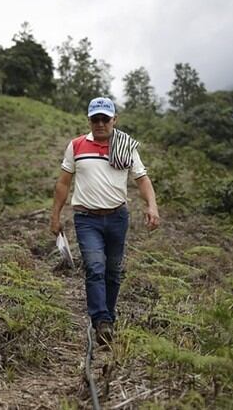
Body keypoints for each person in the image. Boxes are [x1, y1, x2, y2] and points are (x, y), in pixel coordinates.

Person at [50, 97, 160, 345]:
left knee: (113, 271)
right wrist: (55, 215)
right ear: (89, 120)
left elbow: (142, 180)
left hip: (117, 217)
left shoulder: (125, 147)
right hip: (87, 219)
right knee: (95, 267)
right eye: (95, 119)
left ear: (114, 120)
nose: (100, 124)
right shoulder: (76, 145)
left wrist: (152, 206)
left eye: (105, 119)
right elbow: (63, 182)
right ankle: (101, 321)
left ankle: (108, 317)